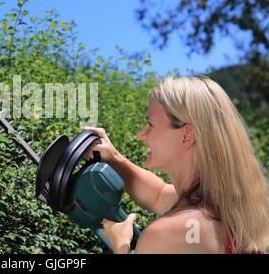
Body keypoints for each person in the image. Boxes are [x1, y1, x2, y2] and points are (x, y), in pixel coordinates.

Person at [84, 75, 269, 254]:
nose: (140, 134)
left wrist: (121, 245)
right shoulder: (224, 204)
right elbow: (157, 195)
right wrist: (113, 156)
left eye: (150, 124)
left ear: (187, 135)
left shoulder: (164, 235)